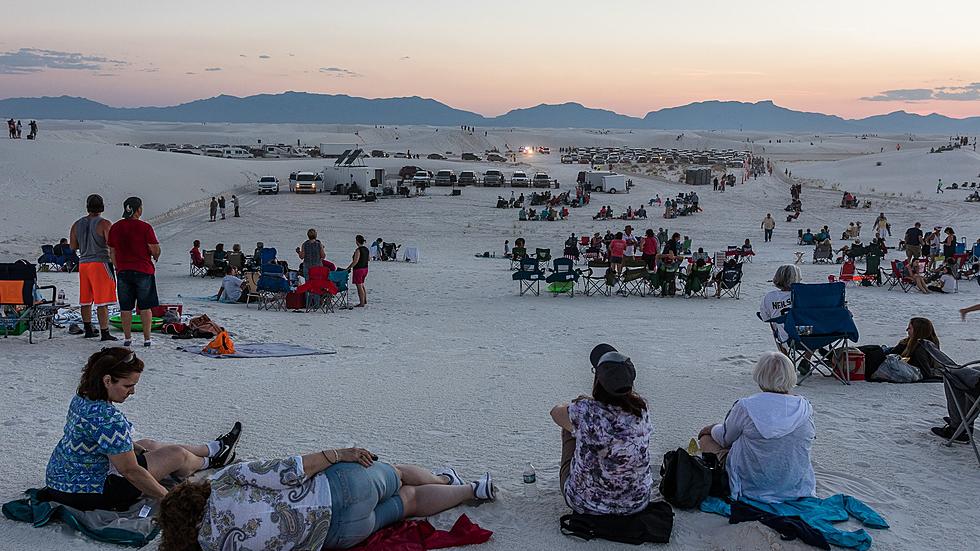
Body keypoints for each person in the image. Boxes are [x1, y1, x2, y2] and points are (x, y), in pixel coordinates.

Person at [158, 450, 494, 551]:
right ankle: (452, 482)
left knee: (410, 503)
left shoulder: (214, 547)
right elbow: (288, 471)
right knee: (399, 473)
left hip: (338, 533)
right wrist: (337, 454)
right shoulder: (223, 482)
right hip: (340, 488)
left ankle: (470, 490)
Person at [42, 348, 241, 511]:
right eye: (128, 385)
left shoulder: (82, 399)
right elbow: (130, 471)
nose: (133, 391)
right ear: (107, 380)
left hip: (59, 481)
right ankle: (211, 460)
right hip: (92, 492)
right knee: (176, 454)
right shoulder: (109, 419)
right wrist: (170, 500)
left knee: (148, 445)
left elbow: (101, 441)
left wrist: (144, 452)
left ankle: (213, 448)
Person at [697, 351, 816, 503]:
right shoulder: (804, 407)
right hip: (794, 484)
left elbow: (725, 439)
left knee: (706, 439)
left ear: (760, 376)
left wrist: (710, 429)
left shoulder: (746, 406)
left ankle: (717, 457)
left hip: (752, 484)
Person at [550, 344, 652, 515]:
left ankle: (583, 479)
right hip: (636, 503)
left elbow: (555, 413)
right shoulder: (641, 410)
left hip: (586, 504)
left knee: (569, 428)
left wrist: (579, 404)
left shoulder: (585, 411)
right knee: (581, 428)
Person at [107, 197, 160, 347]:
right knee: (145, 306)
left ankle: (127, 338)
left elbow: (112, 251)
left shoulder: (115, 228)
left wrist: (118, 267)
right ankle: (147, 338)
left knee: (125, 307)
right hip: (143, 270)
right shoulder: (145, 227)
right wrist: (155, 256)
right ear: (138, 210)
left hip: (123, 271)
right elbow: (154, 248)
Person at [69, 194, 117, 341]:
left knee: (85, 298)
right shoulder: (104, 224)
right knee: (102, 301)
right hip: (100, 263)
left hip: (83, 263)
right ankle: (105, 332)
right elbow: (111, 244)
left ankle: (88, 328)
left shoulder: (77, 224)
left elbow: (73, 246)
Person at [759, 265, 801, 352]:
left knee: (773, 322)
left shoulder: (770, 297)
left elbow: (765, 318)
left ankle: (785, 356)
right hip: (809, 335)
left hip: (785, 336)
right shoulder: (805, 295)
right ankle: (807, 359)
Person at [347, 235, 370, 308]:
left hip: (359, 269)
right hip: (365, 269)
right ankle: (364, 300)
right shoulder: (366, 249)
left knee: (359, 286)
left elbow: (355, 261)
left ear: (357, 241)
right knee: (362, 285)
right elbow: (368, 258)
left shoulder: (358, 250)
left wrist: (348, 268)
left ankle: (362, 302)